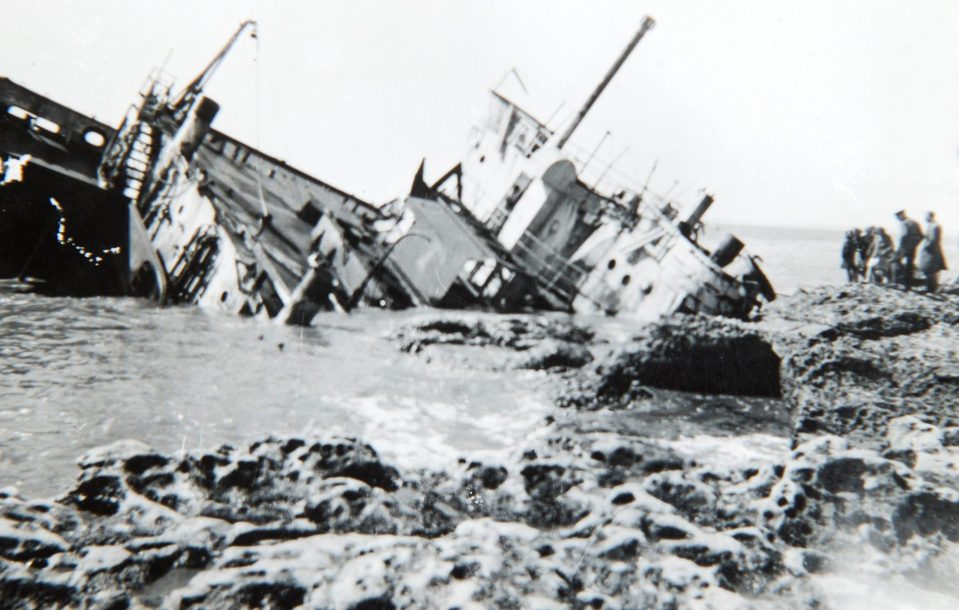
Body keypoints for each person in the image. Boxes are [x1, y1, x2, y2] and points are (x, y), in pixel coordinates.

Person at [918, 211, 947, 292]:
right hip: (930, 252)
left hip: (932, 252)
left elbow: (934, 240)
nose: (925, 218)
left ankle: (931, 289)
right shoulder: (931, 225)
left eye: (926, 217)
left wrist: (927, 247)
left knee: (931, 269)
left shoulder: (935, 226)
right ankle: (929, 288)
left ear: (930, 216)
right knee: (928, 269)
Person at [894, 210, 923, 289]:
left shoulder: (904, 223)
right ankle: (908, 285)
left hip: (903, 249)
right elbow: (921, 236)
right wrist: (914, 245)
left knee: (897, 264)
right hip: (912, 249)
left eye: (898, 217)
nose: (898, 219)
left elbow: (903, 236)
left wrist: (900, 249)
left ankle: (899, 283)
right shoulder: (915, 223)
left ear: (902, 215)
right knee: (909, 266)